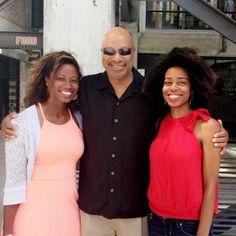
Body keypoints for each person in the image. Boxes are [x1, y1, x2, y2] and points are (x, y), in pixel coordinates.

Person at [1, 27, 228, 236]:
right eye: (110, 51)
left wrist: (214, 133)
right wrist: (14, 121)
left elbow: (181, 115)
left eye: (123, 51)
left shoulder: (151, 92)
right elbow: (56, 108)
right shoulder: (86, 88)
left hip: (136, 212)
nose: (117, 58)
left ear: (133, 52)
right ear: (102, 53)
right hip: (91, 213)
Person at [2, 51, 84, 236]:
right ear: (47, 80)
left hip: (70, 213)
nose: (68, 85)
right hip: (33, 215)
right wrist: (7, 231)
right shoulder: (22, 124)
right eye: (60, 78)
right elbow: (13, 184)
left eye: (74, 80)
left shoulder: (78, 118)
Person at [143, 47, 221, 235]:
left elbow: (211, 185)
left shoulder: (206, 126)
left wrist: (203, 232)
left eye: (182, 82)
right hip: (155, 221)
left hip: (188, 226)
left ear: (192, 88)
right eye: (168, 82)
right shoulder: (159, 123)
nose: (173, 88)